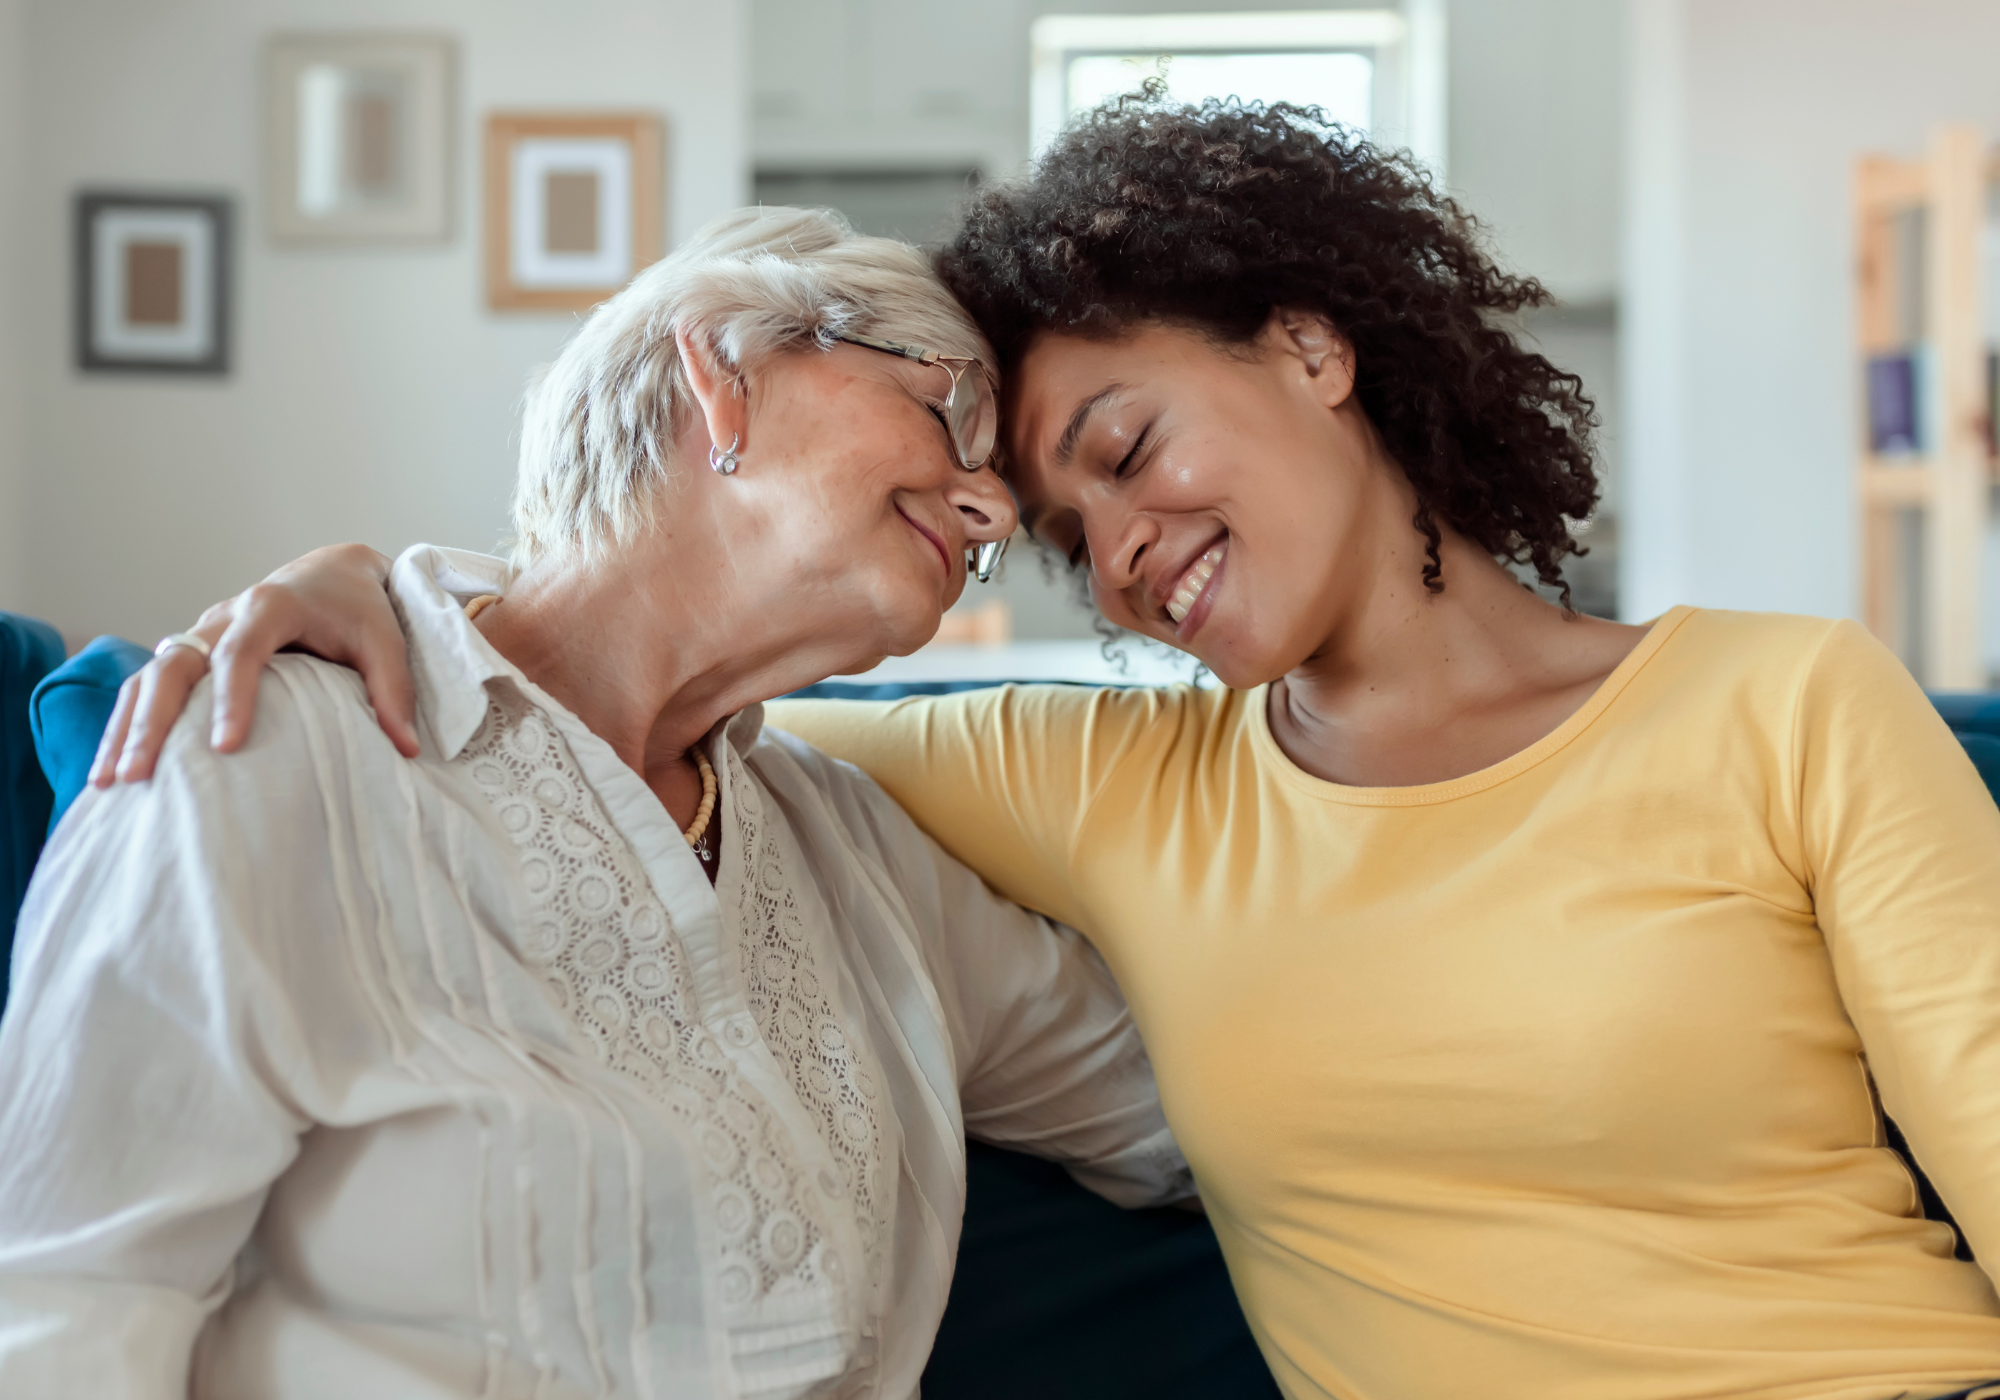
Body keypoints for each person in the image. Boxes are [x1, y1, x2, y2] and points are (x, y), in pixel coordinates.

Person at [104, 95, 2000, 1400]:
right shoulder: (1102, 785)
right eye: (1071, 539)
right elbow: (635, 677)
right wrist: (374, 589)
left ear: (1311, 349)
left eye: (1121, 451)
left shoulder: (1790, 705)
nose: (1114, 554)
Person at [0, 206, 1194, 1399]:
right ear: (723, 369)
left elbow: (1191, 1108)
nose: (986, 512)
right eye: (956, 419)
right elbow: (70, 1303)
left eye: (1005, 515)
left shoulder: (862, 852)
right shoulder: (260, 751)